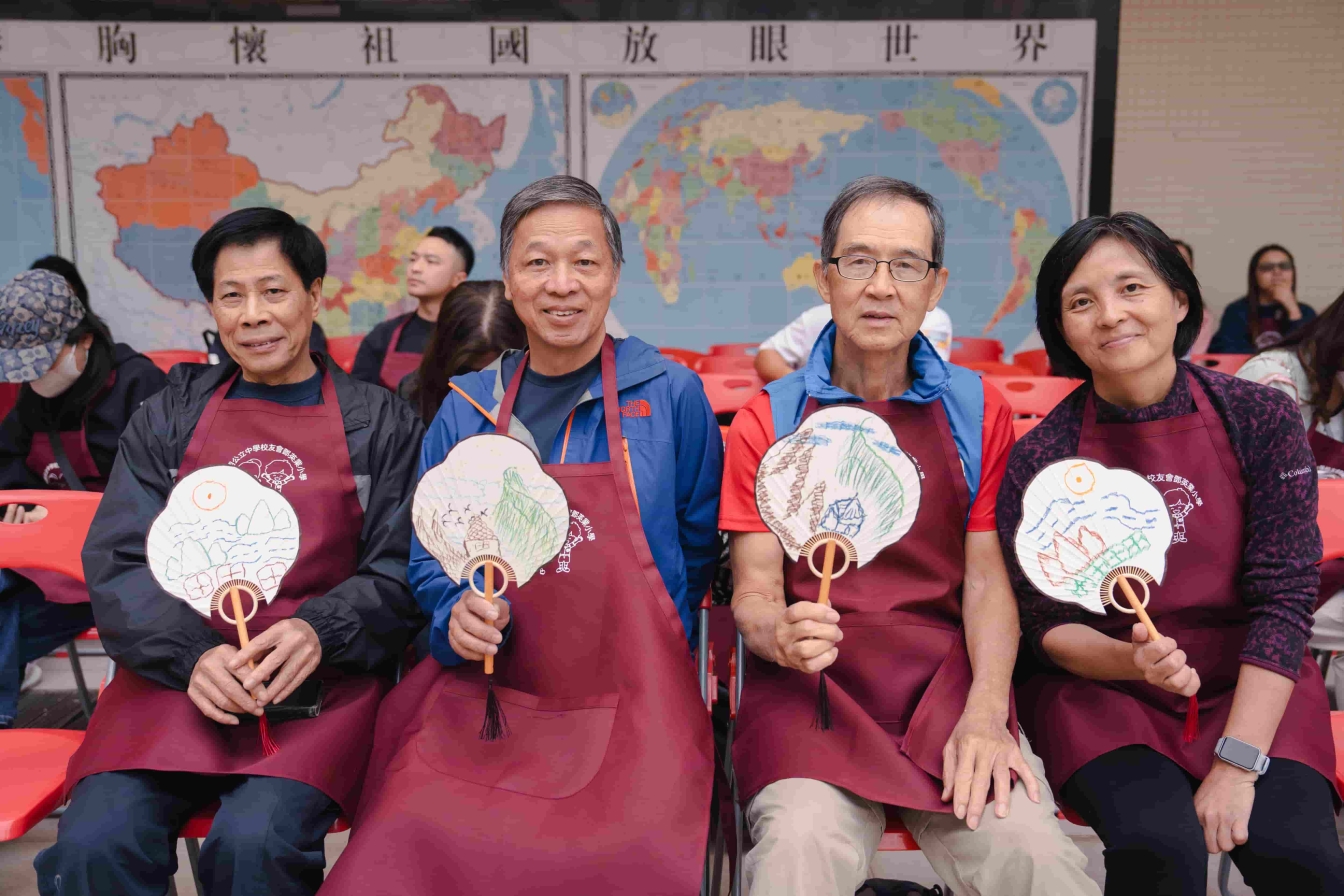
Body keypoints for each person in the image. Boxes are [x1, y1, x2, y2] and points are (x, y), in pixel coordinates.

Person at [324, 176, 723, 895]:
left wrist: (646, 634)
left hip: (636, 700)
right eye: (538, 263)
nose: (561, 284)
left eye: (585, 262)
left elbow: (695, 554)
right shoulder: (467, 408)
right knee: (403, 839)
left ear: (614, 275)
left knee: (629, 853)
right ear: (508, 281)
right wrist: (455, 612)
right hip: (490, 695)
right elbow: (429, 558)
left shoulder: (671, 395)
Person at [720, 176, 1096, 896]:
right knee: (798, 851)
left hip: (946, 690)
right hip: (811, 696)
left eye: (906, 265)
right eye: (858, 261)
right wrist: (779, 634)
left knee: (1034, 857)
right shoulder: (769, 419)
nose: (881, 286)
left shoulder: (975, 409)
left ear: (935, 286)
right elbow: (756, 593)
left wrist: (987, 714)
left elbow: (987, 582)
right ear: (824, 279)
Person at [35, 208, 425, 896]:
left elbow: (400, 567)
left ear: (313, 294)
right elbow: (121, 561)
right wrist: (192, 656)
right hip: (171, 680)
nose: (253, 315)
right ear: (212, 308)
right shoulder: (168, 417)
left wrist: (319, 629)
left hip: (317, 687)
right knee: (95, 845)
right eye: (231, 296)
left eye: (273, 291)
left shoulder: (380, 422)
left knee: (255, 846)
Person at [998, 212, 1344, 895]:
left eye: (1132, 288)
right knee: (1159, 847)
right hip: (1104, 692)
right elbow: (1042, 624)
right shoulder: (1041, 455)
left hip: (1250, 677)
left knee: (1301, 857)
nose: (1110, 315)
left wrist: (1237, 764)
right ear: (1061, 327)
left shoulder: (1260, 418)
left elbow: (1284, 601)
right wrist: (1128, 660)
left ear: (1180, 301)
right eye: (1081, 301)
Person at [0, 265, 166, 727]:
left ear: (85, 340)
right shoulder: (33, 400)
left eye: (44, 362)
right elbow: (8, 460)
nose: (34, 378)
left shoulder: (140, 386)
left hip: (126, 568)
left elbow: (167, 483)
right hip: (50, 568)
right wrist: (21, 503)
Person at [1237, 289, 1344, 708]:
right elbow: (1247, 496)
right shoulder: (1273, 379)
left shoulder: (1336, 390)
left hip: (1324, 555)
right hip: (1271, 568)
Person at [351, 226, 475, 389]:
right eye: (413, 259)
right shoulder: (383, 335)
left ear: (458, 279)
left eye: (431, 261)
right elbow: (358, 396)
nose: (415, 268)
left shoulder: (473, 337)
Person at [397, 280, 527, 424]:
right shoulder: (414, 392)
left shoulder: (541, 398)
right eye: (467, 371)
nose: (483, 386)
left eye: (498, 372)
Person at [755, 301, 954, 382]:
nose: (880, 287)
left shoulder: (931, 319)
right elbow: (768, 354)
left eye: (902, 266)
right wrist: (804, 388)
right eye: (860, 264)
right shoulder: (820, 317)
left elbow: (930, 378)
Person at [1208, 244, 1316, 353]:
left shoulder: (1305, 312)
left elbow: (1309, 353)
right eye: (1267, 267)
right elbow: (1229, 352)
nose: (1277, 272)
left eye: (1284, 266)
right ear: (1255, 274)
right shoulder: (1237, 311)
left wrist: (1293, 311)